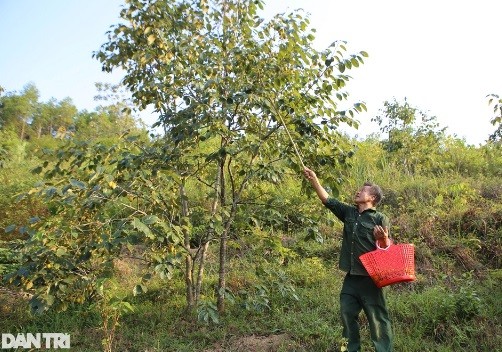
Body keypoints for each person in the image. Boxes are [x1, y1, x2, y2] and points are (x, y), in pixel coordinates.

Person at [303, 167, 393, 352]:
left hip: (371, 280)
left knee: (378, 322)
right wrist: (314, 180)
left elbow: (387, 248)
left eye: (363, 190)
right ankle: (348, 350)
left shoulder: (379, 218)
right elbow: (327, 200)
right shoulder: (349, 213)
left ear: (372, 198)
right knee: (346, 316)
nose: (358, 191)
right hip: (351, 279)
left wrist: (382, 239)